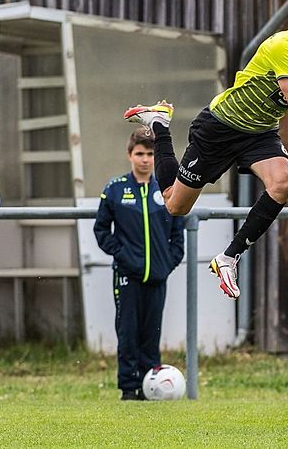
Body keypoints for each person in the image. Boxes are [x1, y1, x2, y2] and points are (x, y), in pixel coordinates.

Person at [124, 0, 288, 300]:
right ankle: (160, 124)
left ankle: (228, 257)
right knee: (175, 205)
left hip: (260, 132)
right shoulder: (284, 45)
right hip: (221, 126)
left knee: (282, 183)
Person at [94, 130, 185, 400]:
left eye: (150, 154)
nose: (145, 159)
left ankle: (149, 386)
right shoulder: (115, 189)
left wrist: (167, 263)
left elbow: (177, 234)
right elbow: (101, 230)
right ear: (129, 155)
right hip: (127, 276)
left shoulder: (167, 189)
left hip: (158, 276)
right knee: (128, 332)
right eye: (139, 154)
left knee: (151, 333)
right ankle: (128, 389)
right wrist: (122, 255)